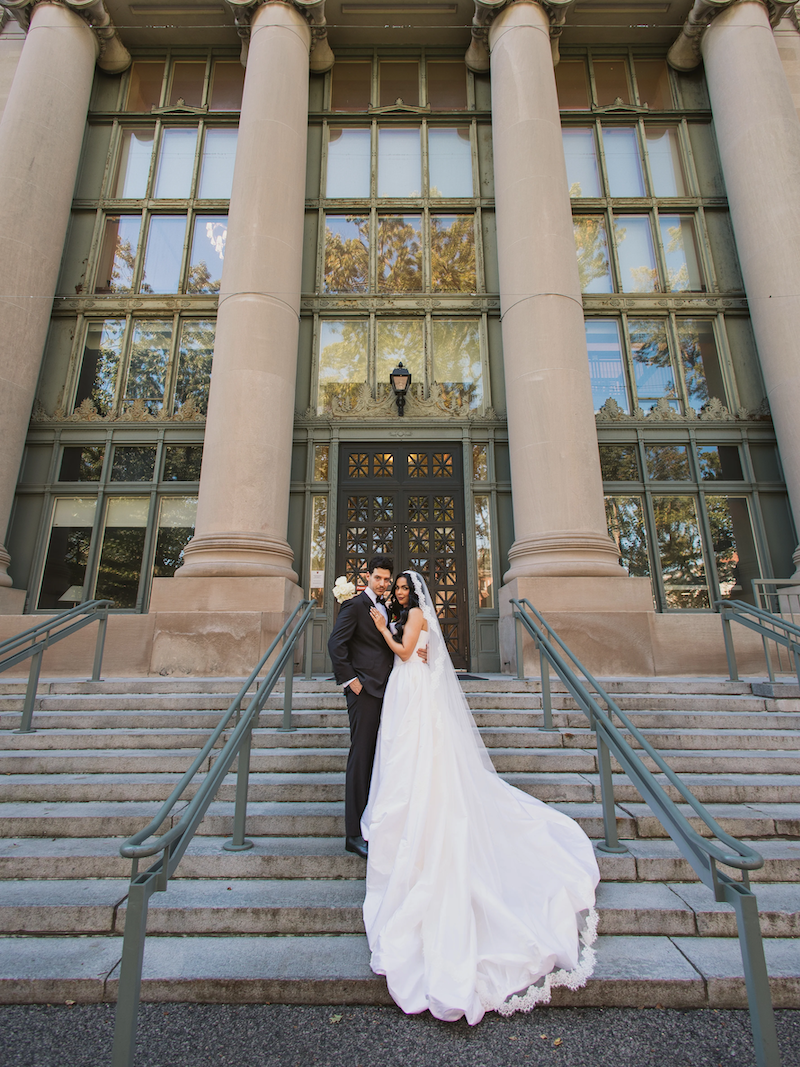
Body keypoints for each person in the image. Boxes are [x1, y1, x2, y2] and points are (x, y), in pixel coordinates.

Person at [361, 570, 600, 1024]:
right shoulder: (409, 612)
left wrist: (381, 631)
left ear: (416, 594)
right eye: (399, 589)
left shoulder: (412, 616)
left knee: (415, 755)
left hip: (410, 688)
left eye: (405, 589)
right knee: (407, 756)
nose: (401, 594)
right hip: (409, 692)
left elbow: (406, 651)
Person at [327, 555, 395, 859]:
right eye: (377, 577)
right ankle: (352, 834)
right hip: (364, 691)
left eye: (386, 579)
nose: (382, 583)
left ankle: (373, 823)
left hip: (388, 692)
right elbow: (335, 645)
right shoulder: (354, 606)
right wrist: (352, 682)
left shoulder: (387, 607)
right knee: (360, 756)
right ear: (367, 576)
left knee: (377, 757)